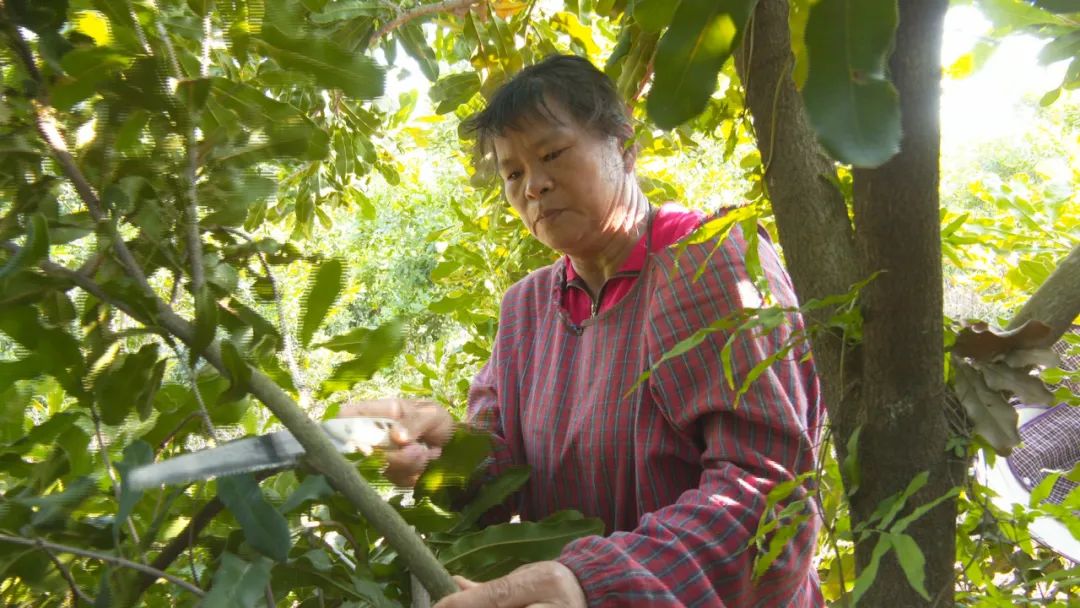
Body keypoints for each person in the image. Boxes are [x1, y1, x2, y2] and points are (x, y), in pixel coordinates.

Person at [343, 54, 824, 607]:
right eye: (513, 173)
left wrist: (591, 583)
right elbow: (507, 475)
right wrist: (441, 450)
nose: (535, 186)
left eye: (552, 154)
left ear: (625, 146)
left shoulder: (711, 262)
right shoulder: (525, 310)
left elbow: (770, 503)